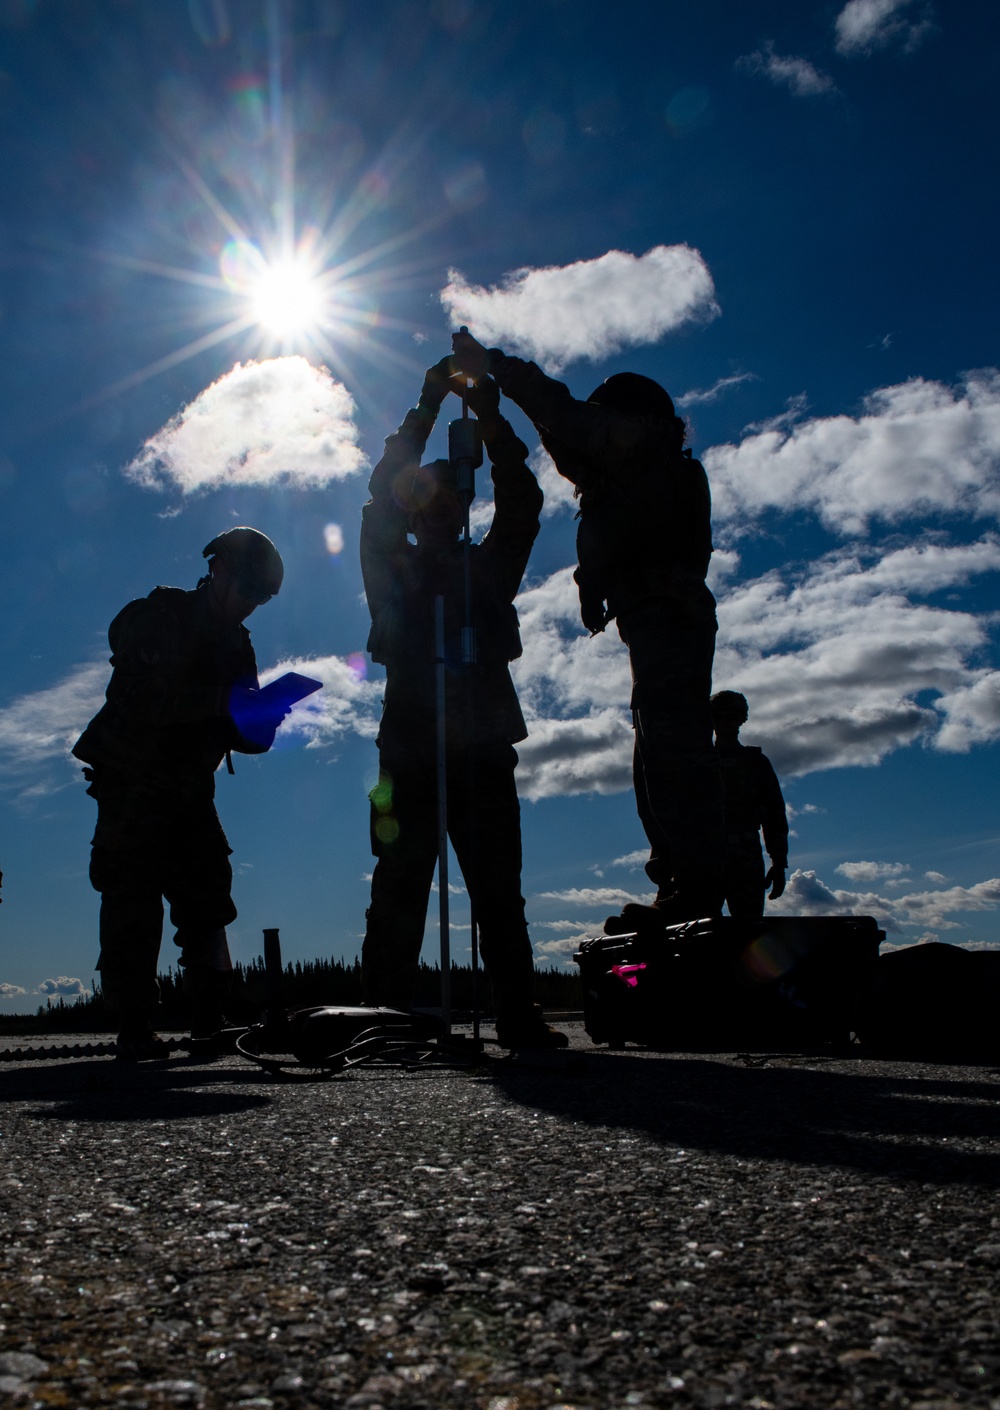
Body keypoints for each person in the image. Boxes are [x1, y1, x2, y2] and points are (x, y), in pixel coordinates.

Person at [451, 329, 724, 925]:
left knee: (672, 755)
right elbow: (568, 442)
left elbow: (564, 417)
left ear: (628, 418)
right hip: (657, 620)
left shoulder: (636, 445)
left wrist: (492, 369)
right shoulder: (647, 465)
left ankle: (695, 888)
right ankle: (682, 882)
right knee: (654, 754)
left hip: (665, 619)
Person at [360, 357, 566, 1049]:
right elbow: (379, 495)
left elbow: (524, 502)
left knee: (498, 891)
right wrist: (426, 403)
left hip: (479, 749)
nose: (442, 510)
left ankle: (517, 1011)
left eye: (453, 500)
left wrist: (487, 415)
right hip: (410, 749)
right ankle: (383, 1017)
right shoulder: (390, 565)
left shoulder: (489, 568)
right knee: (398, 884)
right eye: (430, 501)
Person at [72, 528, 287, 1057]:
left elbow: (244, 736)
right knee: (133, 896)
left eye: (262, 598)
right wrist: (223, 703)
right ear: (218, 572)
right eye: (248, 591)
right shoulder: (158, 617)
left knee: (209, 897)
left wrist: (262, 721)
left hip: (190, 787)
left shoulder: (238, 645)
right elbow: (139, 699)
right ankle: (134, 1024)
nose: (250, 606)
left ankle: (210, 1018)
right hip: (133, 781)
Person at [710, 690, 788, 918]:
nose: (724, 723)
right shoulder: (697, 762)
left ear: (741, 719)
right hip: (706, 860)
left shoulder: (755, 763)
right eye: (718, 716)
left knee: (748, 929)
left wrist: (779, 862)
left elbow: (774, 815)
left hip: (745, 857)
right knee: (700, 932)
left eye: (730, 716)